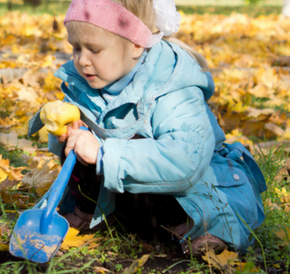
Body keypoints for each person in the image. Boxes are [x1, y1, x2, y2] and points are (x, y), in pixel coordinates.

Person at [27, 0, 267, 256]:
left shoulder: (172, 86)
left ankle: (200, 226)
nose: (82, 60)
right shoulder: (86, 82)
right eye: (75, 48)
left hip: (189, 190)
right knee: (81, 144)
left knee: (132, 144)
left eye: (94, 49)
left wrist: (103, 154)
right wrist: (67, 135)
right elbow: (74, 147)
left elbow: (184, 160)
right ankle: (86, 210)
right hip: (129, 192)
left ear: (136, 44)